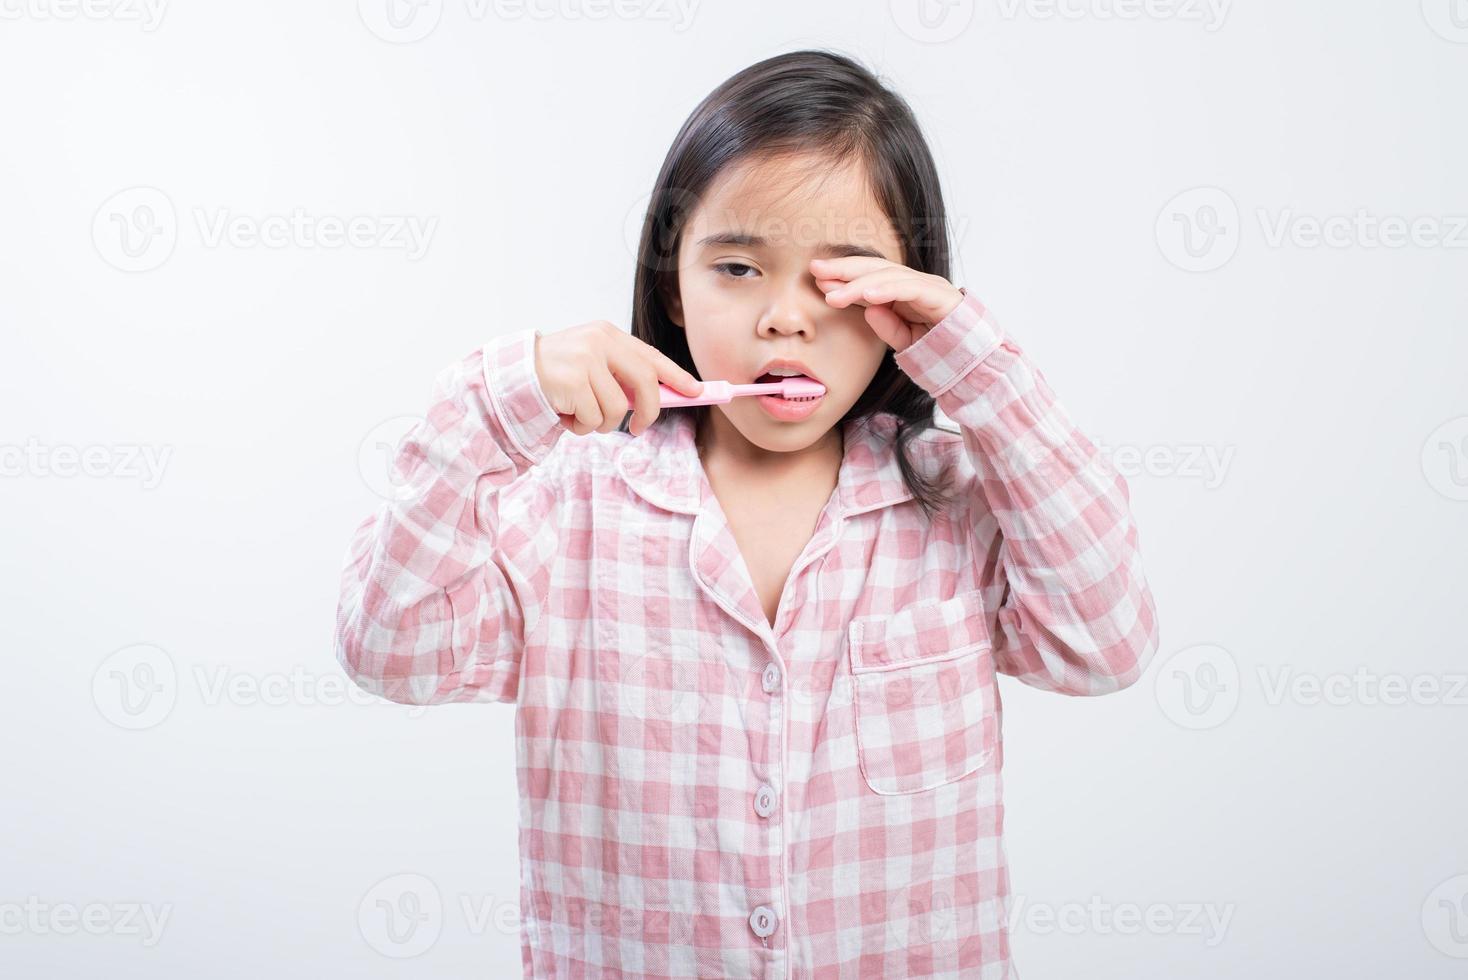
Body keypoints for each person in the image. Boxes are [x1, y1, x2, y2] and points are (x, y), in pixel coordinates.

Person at [335, 47, 1160, 979]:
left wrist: (980, 367)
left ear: (914, 295)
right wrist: (495, 401)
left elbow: (1107, 644)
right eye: (735, 267)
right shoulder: (568, 509)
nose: (784, 318)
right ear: (673, 286)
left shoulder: (960, 499)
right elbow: (387, 646)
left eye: (841, 277)